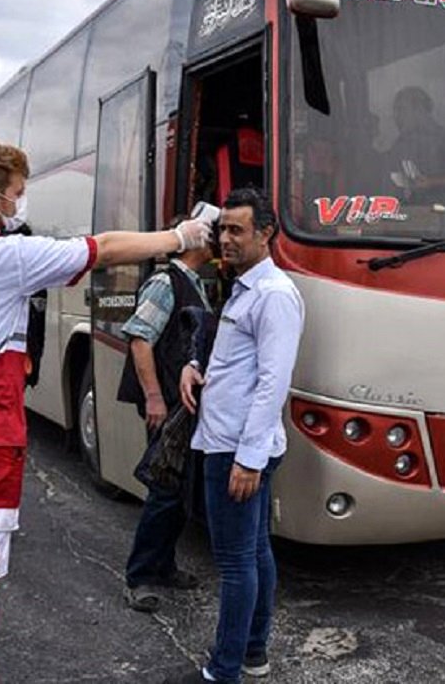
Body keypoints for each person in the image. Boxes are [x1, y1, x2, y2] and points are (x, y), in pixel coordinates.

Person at [0, 139, 211, 684]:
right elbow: (104, 247)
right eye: (18, 194)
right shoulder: (8, 258)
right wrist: (180, 236)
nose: (20, 203)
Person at [169, 188, 305, 684]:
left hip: (236, 448)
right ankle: (251, 654)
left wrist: (248, 459)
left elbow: (273, 382)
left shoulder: (273, 296)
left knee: (234, 562)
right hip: (228, 440)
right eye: (221, 229)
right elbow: (233, 360)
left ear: (265, 234)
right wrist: (194, 365)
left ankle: (223, 671)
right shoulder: (245, 287)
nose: (224, 239)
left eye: (236, 231)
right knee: (254, 552)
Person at [116, 216, 215, 613]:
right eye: (213, 234)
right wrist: (154, 397)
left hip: (182, 402)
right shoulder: (164, 282)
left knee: (177, 488)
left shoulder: (194, 282)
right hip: (168, 403)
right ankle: (139, 576)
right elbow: (141, 340)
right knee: (164, 490)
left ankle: (164, 565)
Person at [388, 86, 445, 206]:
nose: (396, 116)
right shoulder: (400, 144)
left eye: (401, 110)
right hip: (408, 213)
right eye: (395, 111)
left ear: (420, 110)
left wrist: (431, 182)